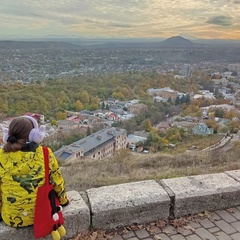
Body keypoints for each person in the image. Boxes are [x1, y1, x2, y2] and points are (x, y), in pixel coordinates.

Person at [0, 115, 69, 228]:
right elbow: (57, 181)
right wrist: (63, 201)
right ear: (34, 135)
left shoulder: (1, 156)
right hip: (43, 214)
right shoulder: (45, 153)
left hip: (12, 218)